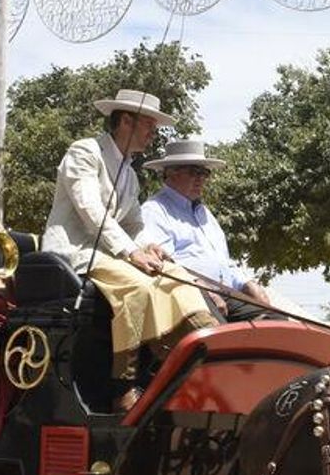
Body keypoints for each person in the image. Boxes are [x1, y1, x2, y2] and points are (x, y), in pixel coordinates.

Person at [41, 88, 215, 409]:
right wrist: (130, 252)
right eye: (148, 124)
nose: (153, 133)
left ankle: (203, 349)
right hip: (74, 253)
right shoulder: (84, 152)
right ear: (124, 121)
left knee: (174, 274)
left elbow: (134, 226)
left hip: (109, 254)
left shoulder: (130, 175)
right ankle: (124, 386)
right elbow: (91, 210)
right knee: (136, 286)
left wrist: (147, 247)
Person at [141, 139, 275, 322]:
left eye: (204, 173)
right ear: (170, 173)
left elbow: (224, 262)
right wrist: (203, 289)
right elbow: (166, 267)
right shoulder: (155, 210)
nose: (201, 179)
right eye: (194, 172)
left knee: (277, 323)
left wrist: (247, 283)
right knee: (222, 341)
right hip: (189, 297)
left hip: (225, 294)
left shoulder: (205, 214)